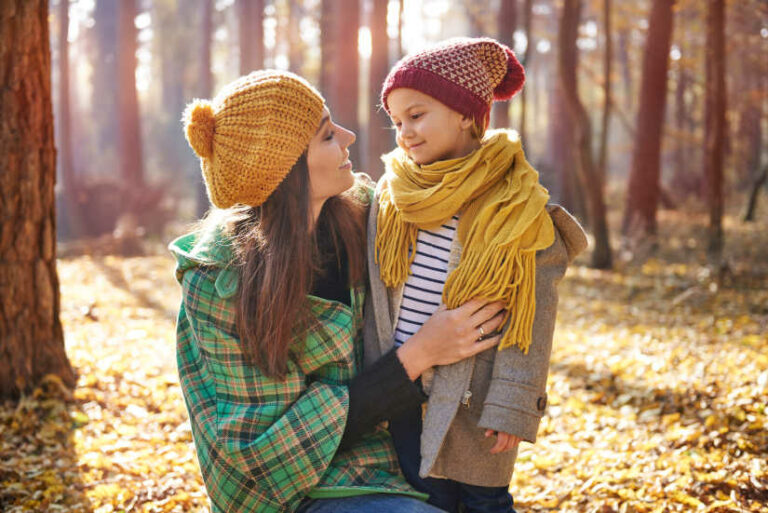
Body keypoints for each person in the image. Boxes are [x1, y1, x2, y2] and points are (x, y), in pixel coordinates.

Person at [169, 69, 507, 513]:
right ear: (287, 171)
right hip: (289, 493)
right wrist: (420, 354)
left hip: (391, 461)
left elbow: (454, 196)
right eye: (327, 135)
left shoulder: (366, 217)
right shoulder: (219, 283)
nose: (348, 136)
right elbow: (260, 454)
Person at [363, 38, 589, 513]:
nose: (404, 132)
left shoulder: (515, 205)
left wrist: (511, 405)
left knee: (482, 500)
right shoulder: (394, 193)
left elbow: (534, 318)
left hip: (476, 395)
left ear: (466, 113)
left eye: (417, 115)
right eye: (398, 121)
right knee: (426, 498)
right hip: (403, 384)